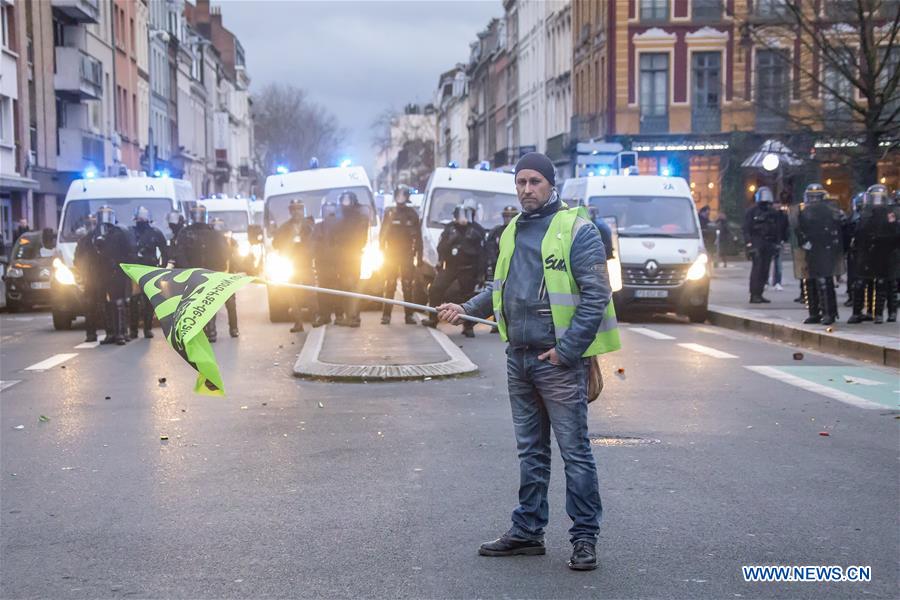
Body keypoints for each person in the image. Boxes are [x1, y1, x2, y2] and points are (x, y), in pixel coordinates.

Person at [436, 152, 618, 571]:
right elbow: (499, 287)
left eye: (535, 181)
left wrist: (568, 351)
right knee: (531, 452)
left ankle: (584, 537)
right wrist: (464, 307)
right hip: (518, 357)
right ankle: (528, 531)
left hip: (557, 360)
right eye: (520, 182)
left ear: (551, 185)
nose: (526, 189)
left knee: (575, 452)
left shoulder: (577, 230)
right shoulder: (512, 230)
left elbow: (596, 297)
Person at [424, 200, 485, 337]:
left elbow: (482, 253)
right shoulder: (450, 228)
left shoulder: (477, 230)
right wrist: (450, 240)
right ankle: (433, 318)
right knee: (436, 289)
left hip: (468, 269)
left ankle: (468, 326)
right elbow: (440, 248)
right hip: (451, 267)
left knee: (468, 296)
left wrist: (481, 273)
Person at [174, 204, 233, 341]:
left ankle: (210, 331)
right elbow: (180, 253)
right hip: (196, 272)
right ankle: (202, 331)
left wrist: (219, 269)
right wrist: (186, 270)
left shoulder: (211, 233)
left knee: (204, 302)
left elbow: (222, 253)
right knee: (198, 303)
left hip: (205, 272)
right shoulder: (186, 233)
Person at [849, 184, 899, 324]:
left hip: (882, 251)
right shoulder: (866, 213)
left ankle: (880, 313)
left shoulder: (890, 212)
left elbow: (895, 233)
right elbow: (857, 230)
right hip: (869, 251)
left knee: (883, 282)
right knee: (866, 282)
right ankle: (864, 313)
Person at [796, 183, 843, 325]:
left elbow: (838, 229)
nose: (814, 201)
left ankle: (829, 312)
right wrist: (803, 241)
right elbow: (798, 229)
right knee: (809, 281)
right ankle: (814, 312)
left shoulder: (831, 211)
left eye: (817, 197)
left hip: (825, 248)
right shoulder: (803, 212)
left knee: (824, 281)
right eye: (812, 197)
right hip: (811, 249)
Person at [379, 184, 422, 325]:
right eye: (398, 195)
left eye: (403, 195)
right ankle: (386, 315)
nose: (401, 197)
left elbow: (419, 237)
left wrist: (419, 257)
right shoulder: (390, 213)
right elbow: (382, 235)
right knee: (390, 284)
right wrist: (381, 251)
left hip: (407, 254)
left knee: (407, 285)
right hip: (391, 254)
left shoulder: (412, 214)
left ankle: (409, 316)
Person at [92, 206, 134, 345]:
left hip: (118, 273)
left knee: (119, 303)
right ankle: (110, 333)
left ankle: (121, 333)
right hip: (103, 273)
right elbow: (90, 254)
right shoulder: (95, 233)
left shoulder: (119, 232)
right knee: (106, 304)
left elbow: (129, 252)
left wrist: (121, 266)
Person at [273, 199, 317, 332]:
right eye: (294, 209)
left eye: (299, 209)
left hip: (306, 264)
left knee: (311, 293)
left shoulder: (309, 225)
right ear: (290, 211)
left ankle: (314, 317)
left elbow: (316, 241)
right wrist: (287, 244)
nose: (296, 211)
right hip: (292, 264)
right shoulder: (284, 227)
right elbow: (276, 244)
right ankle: (298, 322)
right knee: (293, 295)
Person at [129, 206, 168, 338]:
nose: (141, 220)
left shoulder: (155, 233)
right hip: (135, 271)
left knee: (149, 302)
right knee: (133, 301)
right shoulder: (130, 233)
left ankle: (147, 328)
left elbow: (164, 250)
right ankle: (133, 330)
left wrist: (162, 267)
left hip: (150, 270)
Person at [333, 190, 369, 327]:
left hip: (354, 256)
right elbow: (333, 235)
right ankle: (344, 315)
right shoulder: (338, 217)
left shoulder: (360, 218)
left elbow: (361, 238)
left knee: (352, 286)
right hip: (341, 256)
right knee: (342, 286)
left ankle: (354, 316)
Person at [742, 186, 781, 303]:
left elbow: (777, 228)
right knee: (757, 269)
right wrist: (749, 244)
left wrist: (776, 243)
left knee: (765, 269)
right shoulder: (752, 211)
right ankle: (754, 294)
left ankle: (759, 293)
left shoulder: (772, 212)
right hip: (757, 241)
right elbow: (746, 229)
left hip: (768, 242)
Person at [73, 213, 104, 343]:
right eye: (89, 223)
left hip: (103, 278)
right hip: (89, 279)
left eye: (93, 223)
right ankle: (91, 333)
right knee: (89, 306)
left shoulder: (102, 239)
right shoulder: (83, 241)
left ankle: (111, 332)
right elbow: (77, 260)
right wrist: (84, 272)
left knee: (105, 306)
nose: (91, 226)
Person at [312, 200, 343, 326]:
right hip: (322, 264)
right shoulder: (319, 227)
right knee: (323, 290)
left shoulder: (341, 226)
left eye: (332, 211)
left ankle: (340, 315)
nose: (330, 214)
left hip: (338, 264)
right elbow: (313, 243)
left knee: (338, 289)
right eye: (327, 211)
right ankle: (325, 315)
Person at [211, 216, 240, 337]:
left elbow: (235, 255)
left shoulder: (230, 240)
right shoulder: (209, 241)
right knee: (211, 305)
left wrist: (235, 268)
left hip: (227, 276)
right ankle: (211, 331)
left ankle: (234, 328)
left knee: (231, 304)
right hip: (213, 276)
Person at [485, 205, 519, 283]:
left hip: (515, 269)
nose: (508, 219)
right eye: (506, 216)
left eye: (512, 216)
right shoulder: (496, 231)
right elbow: (490, 249)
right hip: (498, 268)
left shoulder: (521, 231)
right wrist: (495, 262)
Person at [769, 202, 790, 291]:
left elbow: (786, 228)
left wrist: (784, 239)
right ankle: (768, 281)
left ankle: (777, 282)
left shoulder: (782, 216)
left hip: (778, 240)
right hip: (771, 240)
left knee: (778, 263)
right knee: (768, 262)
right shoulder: (770, 215)